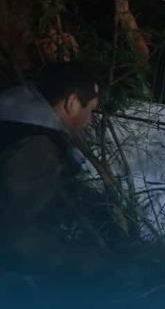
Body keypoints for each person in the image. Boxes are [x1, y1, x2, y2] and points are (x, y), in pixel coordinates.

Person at [0, 63, 115, 279]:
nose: (89, 120)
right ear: (71, 103)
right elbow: (14, 232)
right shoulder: (36, 147)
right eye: (90, 109)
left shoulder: (11, 117)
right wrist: (77, 259)